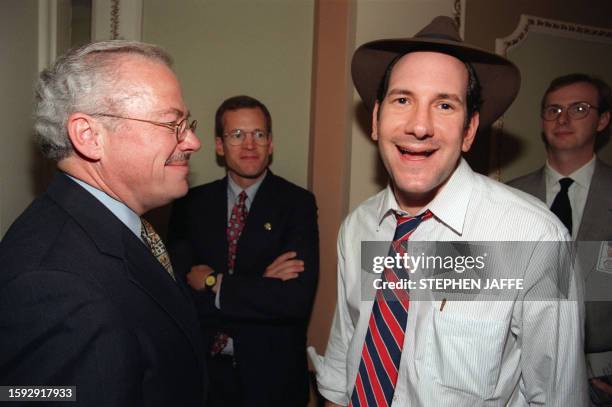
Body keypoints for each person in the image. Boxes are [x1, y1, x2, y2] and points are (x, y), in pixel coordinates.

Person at [308, 16, 587, 406]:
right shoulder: (359, 227)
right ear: (375, 119)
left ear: (470, 130)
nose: (420, 126)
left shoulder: (534, 239)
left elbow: (559, 397)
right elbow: (344, 353)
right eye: (402, 100)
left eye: (444, 105)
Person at [0, 41, 205, 406]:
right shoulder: (53, 283)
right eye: (171, 123)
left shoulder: (119, 225)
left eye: (186, 124)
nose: (192, 141)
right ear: (89, 136)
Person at [167, 95, 319, 407]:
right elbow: (179, 297)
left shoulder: (297, 204)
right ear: (219, 146)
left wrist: (215, 283)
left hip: (272, 381)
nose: (249, 145)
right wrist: (262, 285)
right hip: (204, 378)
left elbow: (294, 301)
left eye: (258, 135)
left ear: (271, 143)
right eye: (237, 135)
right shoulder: (189, 204)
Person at [508, 73, 612, 405]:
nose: (562, 119)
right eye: (553, 110)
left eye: (579, 108)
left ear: (602, 120)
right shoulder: (508, 196)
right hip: (518, 378)